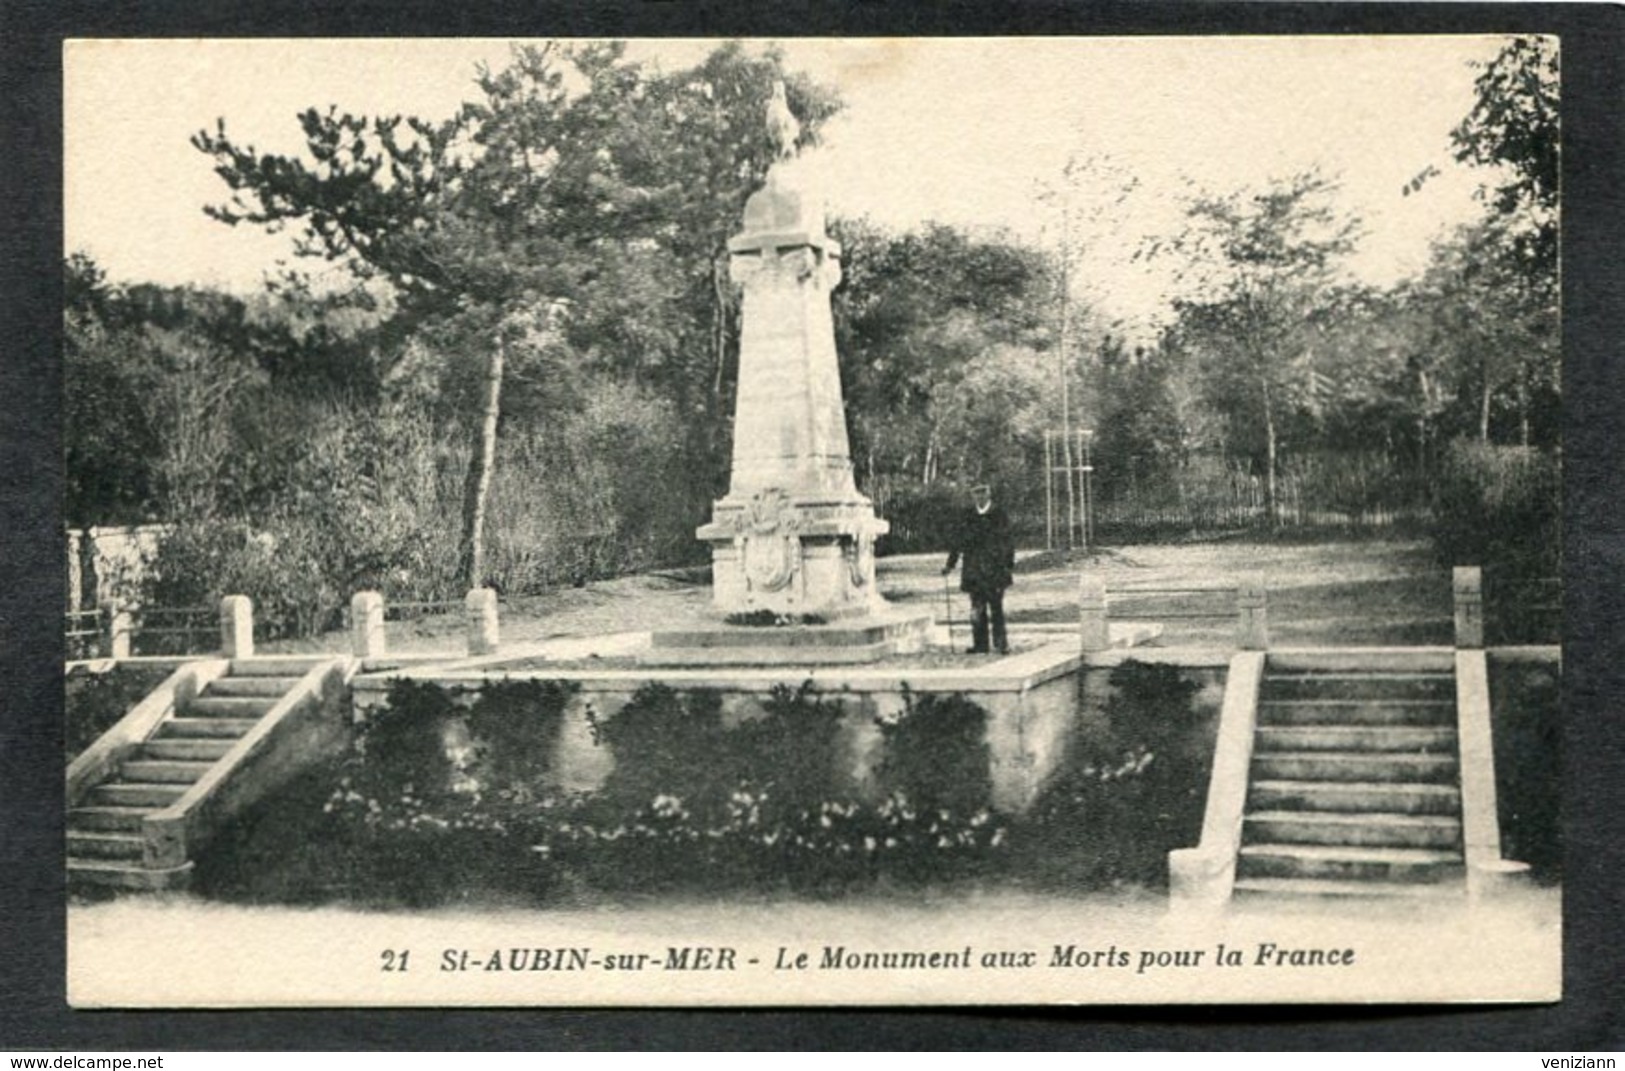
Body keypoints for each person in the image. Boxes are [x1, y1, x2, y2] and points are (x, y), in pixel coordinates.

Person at [942, 484, 1015, 654]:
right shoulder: (967, 516)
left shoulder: (999, 515)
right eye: (976, 493)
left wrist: (1007, 566)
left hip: (995, 570)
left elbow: (1008, 543)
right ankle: (980, 644)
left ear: (989, 493)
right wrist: (949, 565)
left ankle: (1001, 643)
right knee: (977, 608)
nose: (980, 497)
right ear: (972, 495)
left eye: (983, 492)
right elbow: (957, 542)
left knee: (996, 607)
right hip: (973, 570)